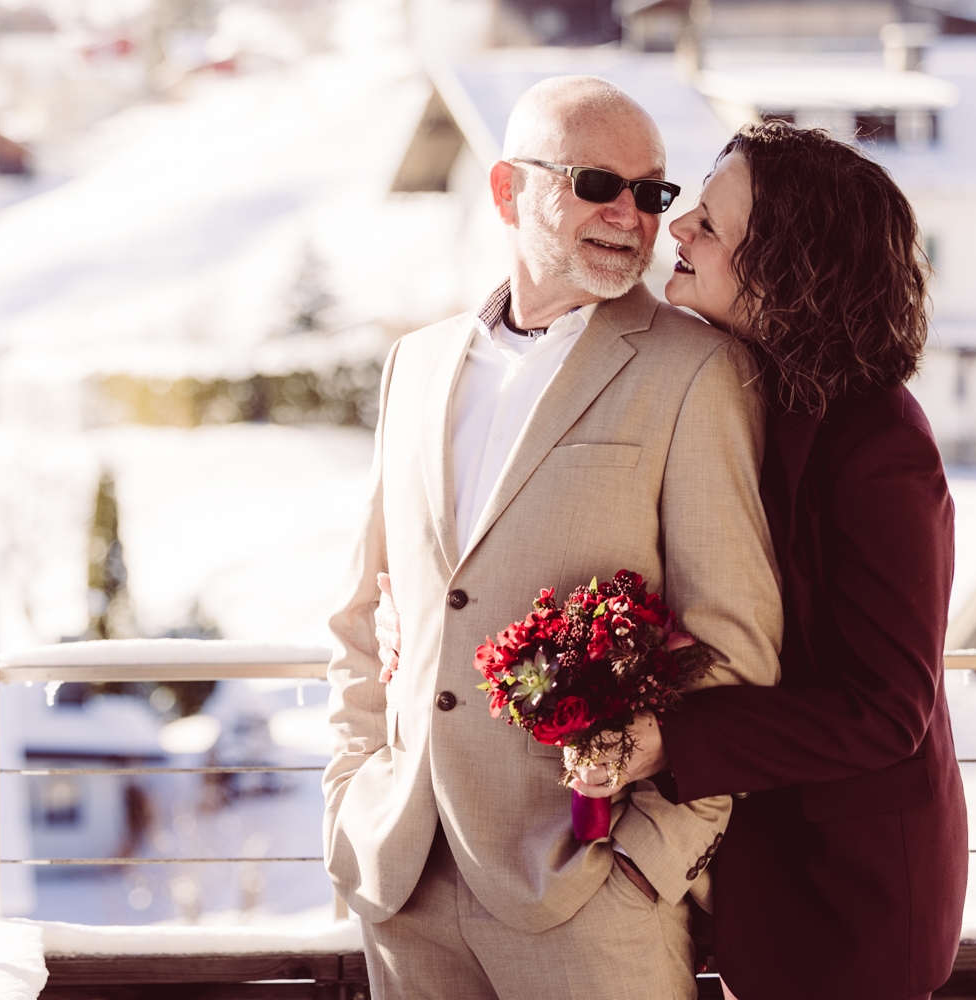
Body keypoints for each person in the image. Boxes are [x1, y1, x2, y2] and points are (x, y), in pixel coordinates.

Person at [323, 76, 783, 1000]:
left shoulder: (700, 371)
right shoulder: (415, 364)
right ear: (507, 190)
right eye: (596, 184)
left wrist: (650, 862)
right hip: (403, 882)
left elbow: (736, 649)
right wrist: (351, 795)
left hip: (590, 894)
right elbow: (366, 611)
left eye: (651, 192)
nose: (631, 215)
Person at [570, 122, 968, 1000]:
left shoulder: (879, 444)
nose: (676, 228)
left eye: (711, 225)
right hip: (754, 872)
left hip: (847, 895)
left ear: (790, 265)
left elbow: (886, 710)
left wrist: (672, 740)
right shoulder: (754, 388)